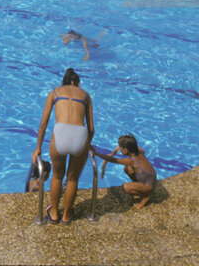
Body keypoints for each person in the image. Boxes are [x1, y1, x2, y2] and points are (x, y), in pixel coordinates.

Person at [31, 68, 94, 225]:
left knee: (57, 176)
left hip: (61, 134)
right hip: (81, 135)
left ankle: (54, 213)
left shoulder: (55, 93)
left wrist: (38, 147)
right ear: (77, 83)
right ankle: (67, 215)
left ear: (64, 82)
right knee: (72, 178)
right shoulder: (85, 95)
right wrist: (88, 144)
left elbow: (43, 124)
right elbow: (91, 128)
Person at [95, 134, 157, 209]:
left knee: (126, 187)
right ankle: (139, 186)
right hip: (151, 179)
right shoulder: (139, 151)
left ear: (126, 150)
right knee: (127, 169)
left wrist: (97, 154)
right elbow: (137, 147)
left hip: (149, 186)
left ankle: (146, 196)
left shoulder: (131, 161)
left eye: (120, 148)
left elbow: (113, 160)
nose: (119, 149)